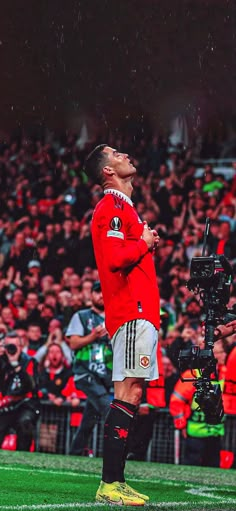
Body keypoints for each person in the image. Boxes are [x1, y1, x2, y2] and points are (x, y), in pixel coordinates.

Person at [84, 144, 160, 505]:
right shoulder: (110, 207)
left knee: (129, 394)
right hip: (132, 310)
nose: (126, 154)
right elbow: (115, 259)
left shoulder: (124, 208)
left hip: (137, 310)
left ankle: (114, 481)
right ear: (107, 172)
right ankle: (110, 482)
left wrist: (144, 242)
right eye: (115, 154)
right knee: (129, 393)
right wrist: (143, 243)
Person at [66, 281, 112, 456]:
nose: (101, 295)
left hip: (105, 374)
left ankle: (75, 452)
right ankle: (117, 454)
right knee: (109, 411)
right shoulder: (82, 316)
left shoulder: (114, 318)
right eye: (97, 292)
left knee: (89, 419)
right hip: (85, 372)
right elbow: (73, 343)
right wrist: (93, 336)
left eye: (104, 292)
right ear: (91, 295)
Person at [169, 340, 227, 467]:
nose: (224, 355)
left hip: (215, 433)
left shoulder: (225, 373)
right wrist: (180, 425)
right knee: (191, 467)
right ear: (213, 356)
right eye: (221, 352)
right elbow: (176, 402)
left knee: (213, 469)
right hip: (195, 434)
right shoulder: (193, 375)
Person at [0, 331, 39, 451]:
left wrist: (16, 365)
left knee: (25, 423)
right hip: (6, 407)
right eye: (8, 346)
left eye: (14, 346)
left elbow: (31, 385)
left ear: (21, 347)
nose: (11, 349)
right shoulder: (1, 361)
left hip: (25, 404)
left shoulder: (29, 361)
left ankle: (23, 458)